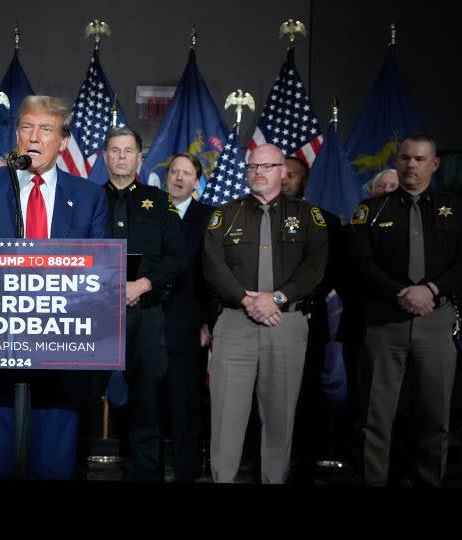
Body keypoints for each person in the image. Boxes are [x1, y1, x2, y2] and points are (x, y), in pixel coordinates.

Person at [0, 95, 109, 480]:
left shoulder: (88, 197)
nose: (34, 137)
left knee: (52, 467)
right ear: (17, 133)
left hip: (61, 356)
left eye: (46, 129)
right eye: (27, 127)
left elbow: (101, 276)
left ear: (63, 141)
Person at [349, 134, 462, 487]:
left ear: (434, 164)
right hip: (385, 321)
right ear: (397, 160)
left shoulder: (457, 210)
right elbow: (362, 263)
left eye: (419, 159)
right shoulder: (371, 210)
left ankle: (427, 483)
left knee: (435, 416)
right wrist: (402, 293)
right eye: (405, 158)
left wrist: (431, 291)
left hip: (435, 322)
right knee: (375, 416)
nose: (410, 165)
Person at [203, 143, 328, 484]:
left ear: (282, 172)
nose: (257, 173)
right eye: (252, 167)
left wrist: (276, 298)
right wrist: (248, 301)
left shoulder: (307, 216)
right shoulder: (224, 215)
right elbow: (213, 266)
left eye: (266, 167)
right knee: (226, 415)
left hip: (285, 323)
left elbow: (314, 267)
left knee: (279, 415)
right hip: (234, 322)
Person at [99, 127, 184, 481]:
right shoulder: (86, 199)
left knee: (147, 402)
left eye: (128, 150)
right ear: (105, 157)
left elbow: (177, 256)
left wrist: (144, 284)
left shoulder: (160, 202)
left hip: (145, 314)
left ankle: (144, 473)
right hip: (94, 318)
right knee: (84, 396)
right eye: (114, 150)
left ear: (139, 158)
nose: (121, 156)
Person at [282, 155, 347, 484]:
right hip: (263, 316)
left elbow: (334, 272)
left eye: (291, 175)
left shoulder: (329, 222)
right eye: (280, 173)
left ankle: (304, 465)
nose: (284, 180)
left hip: (310, 318)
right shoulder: (249, 217)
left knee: (307, 394)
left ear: (304, 181)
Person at [162, 152, 216, 482]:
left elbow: (213, 275)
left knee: (186, 404)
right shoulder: (151, 211)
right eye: (174, 172)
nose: (179, 178)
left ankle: (185, 471)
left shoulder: (209, 217)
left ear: (197, 181)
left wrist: (209, 322)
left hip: (191, 324)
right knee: (153, 404)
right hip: (151, 322)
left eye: (186, 173)